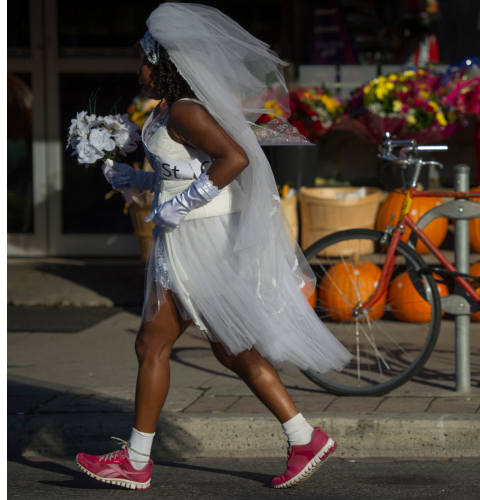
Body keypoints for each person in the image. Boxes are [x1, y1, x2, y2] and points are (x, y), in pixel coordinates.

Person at [75, 3, 351, 491]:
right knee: (230, 348)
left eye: (144, 60)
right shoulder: (165, 112)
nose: (138, 70)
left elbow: (235, 159)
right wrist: (130, 177)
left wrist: (182, 207)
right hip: (182, 238)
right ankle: (303, 436)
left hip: (198, 240)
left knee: (154, 343)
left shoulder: (186, 110)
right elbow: (177, 173)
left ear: (165, 65)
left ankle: (137, 461)